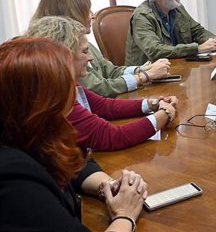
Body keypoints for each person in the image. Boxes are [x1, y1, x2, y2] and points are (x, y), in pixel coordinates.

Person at [0, 37, 148, 232]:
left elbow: (68, 161)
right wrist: (125, 215)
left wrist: (106, 186)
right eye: (68, 86)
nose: (75, 95)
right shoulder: (12, 181)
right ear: (44, 101)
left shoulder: (24, 132)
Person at [26, 16, 178, 151]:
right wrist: (164, 114)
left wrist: (152, 104)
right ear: (63, 57)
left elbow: (104, 106)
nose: (90, 58)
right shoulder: (55, 100)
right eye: (84, 52)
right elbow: (113, 137)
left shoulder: (61, 84)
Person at [31, 0, 171, 98]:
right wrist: (144, 76)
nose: (92, 15)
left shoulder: (81, 41)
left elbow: (110, 70)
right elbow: (98, 88)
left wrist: (142, 69)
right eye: (87, 11)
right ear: (71, 15)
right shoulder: (60, 52)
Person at [126, 0, 216, 65]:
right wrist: (197, 48)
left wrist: (213, 40)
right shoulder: (142, 17)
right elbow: (155, 51)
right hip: (147, 76)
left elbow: (197, 31)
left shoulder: (177, 7)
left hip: (177, 67)